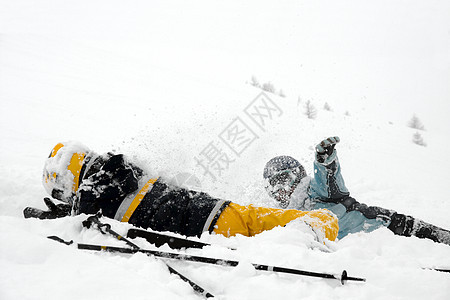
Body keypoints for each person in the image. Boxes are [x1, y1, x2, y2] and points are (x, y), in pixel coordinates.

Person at [23, 141, 339, 243]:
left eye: (65, 192)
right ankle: (315, 223)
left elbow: (86, 216)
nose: (69, 199)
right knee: (259, 220)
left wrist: (54, 217)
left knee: (263, 225)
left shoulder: (95, 191)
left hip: (205, 224)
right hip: (206, 209)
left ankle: (320, 225)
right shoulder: (119, 170)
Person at [263, 136, 450, 245]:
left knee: (443, 240)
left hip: (390, 226)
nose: (280, 189)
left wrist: (325, 162)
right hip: (371, 245)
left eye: (284, 180)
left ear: (297, 175)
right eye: (274, 185)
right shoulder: (288, 216)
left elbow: (330, 182)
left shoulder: (314, 191)